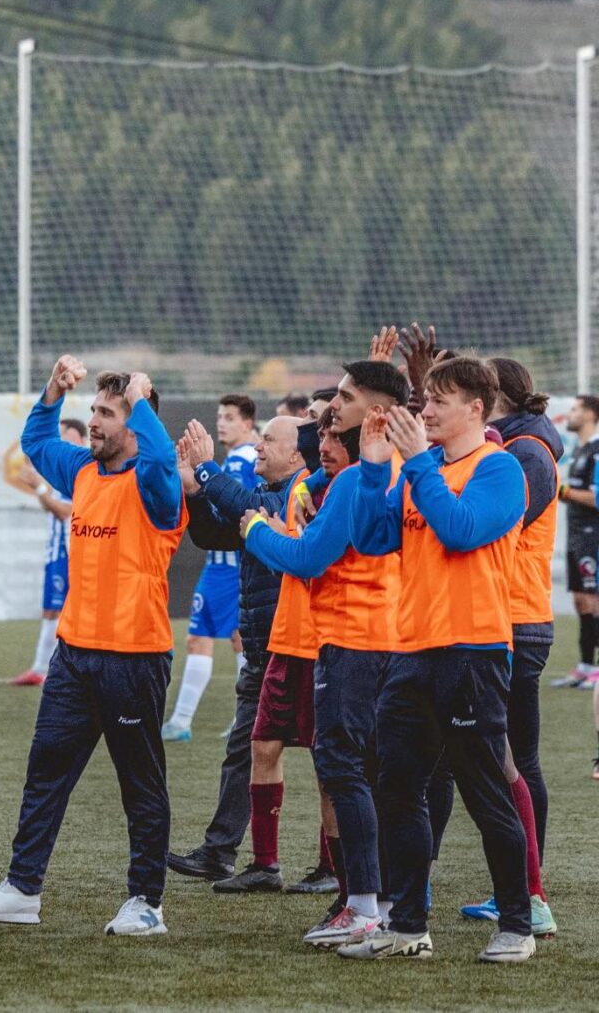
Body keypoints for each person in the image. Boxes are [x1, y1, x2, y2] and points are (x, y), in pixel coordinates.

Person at [0, 358, 185, 936]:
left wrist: (139, 398)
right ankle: (22, 888)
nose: (94, 422)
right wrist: (54, 390)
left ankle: (146, 902)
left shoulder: (157, 485)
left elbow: (160, 458)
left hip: (134, 659)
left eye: (107, 414)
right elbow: (35, 439)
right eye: (94, 411)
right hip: (74, 656)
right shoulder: (84, 470)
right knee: (45, 774)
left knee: (141, 786)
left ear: (134, 423)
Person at [342, 355, 533, 963]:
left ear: (476, 409)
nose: (425, 410)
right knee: (397, 789)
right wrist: (375, 468)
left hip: (472, 653)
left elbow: (460, 530)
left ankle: (518, 925)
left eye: (440, 401)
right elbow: (373, 539)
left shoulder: (500, 469)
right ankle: (408, 928)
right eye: (425, 399)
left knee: (483, 793)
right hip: (411, 653)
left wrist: (417, 459)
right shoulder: (419, 471)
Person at [241, 362, 410, 947]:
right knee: (386, 776)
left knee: (347, 769)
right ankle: (392, 905)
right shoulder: (391, 469)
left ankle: (364, 904)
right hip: (389, 639)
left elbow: (309, 558)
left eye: (344, 398)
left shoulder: (369, 476)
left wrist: (255, 528)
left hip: (356, 641)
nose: (331, 408)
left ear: (378, 411)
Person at [167, 415, 310, 885]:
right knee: (250, 747)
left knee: (335, 758)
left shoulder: (301, 492)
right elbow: (216, 534)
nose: (259, 445)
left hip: (298, 646)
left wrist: (206, 471)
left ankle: (340, 869)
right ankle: (230, 853)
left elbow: (248, 505)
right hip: (266, 643)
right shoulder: (271, 494)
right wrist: (193, 491)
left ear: (297, 454)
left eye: (268, 439)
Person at [443, 358, 559, 937]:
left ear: (493, 399)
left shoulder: (525, 457)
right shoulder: (518, 449)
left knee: (514, 761)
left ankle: (529, 895)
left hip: (513, 619)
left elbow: (494, 528)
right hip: (505, 617)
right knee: (484, 759)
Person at [162, 395, 258, 742]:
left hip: (231, 567)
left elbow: (241, 511)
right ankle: (184, 721)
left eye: (230, 417)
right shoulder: (233, 459)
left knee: (230, 640)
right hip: (219, 566)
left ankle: (230, 719)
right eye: (219, 416)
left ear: (248, 423)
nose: (221, 423)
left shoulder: (244, 460)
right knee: (210, 639)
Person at [11, 417, 87, 686]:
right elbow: (52, 508)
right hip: (57, 549)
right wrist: (42, 490)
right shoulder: (64, 470)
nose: (61, 442)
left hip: (69, 550)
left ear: (79, 439)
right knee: (52, 611)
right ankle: (43, 668)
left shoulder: (82, 470)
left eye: (65, 435)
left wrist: (39, 487)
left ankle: (45, 669)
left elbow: (68, 511)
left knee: (58, 612)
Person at [550, 395, 599, 687]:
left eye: (576, 409)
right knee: (582, 601)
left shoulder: (596, 451)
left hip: (593, 536)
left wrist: (562, 490)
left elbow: (597, 497)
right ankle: (584, 665)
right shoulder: (581, 450)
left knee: (594, 601)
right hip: (577, 535)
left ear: (591, 414)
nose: (570, 414)